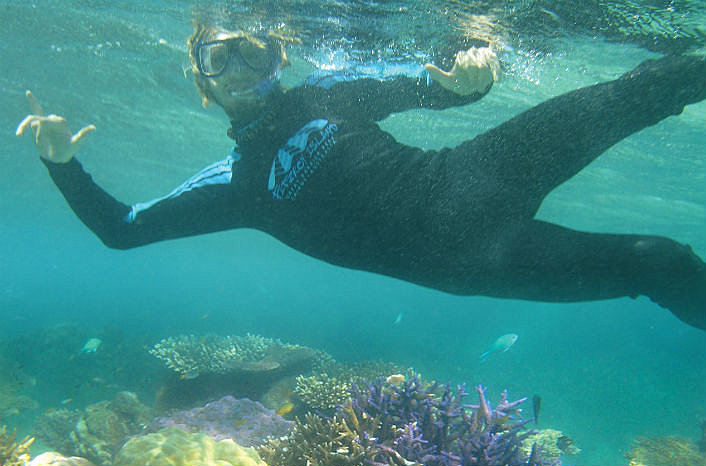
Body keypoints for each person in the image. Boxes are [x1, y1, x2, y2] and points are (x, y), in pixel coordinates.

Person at [16, 24, 706, 330]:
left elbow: (437, 87)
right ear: (202, 87)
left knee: (643, 87)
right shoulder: (234, 184)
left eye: (252, 53)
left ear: (277, 57)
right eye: (217, 64)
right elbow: (121, 230)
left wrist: (472, 70)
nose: (240, 75)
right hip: (473, 260)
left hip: (477, 174)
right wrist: (62, 165)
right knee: (658, 260)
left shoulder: (330, 91)